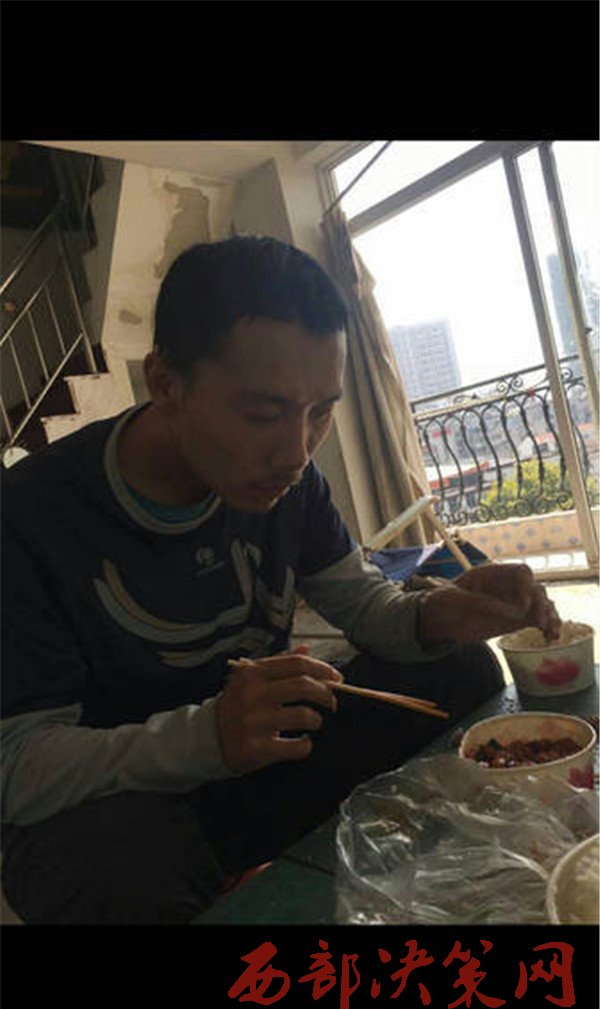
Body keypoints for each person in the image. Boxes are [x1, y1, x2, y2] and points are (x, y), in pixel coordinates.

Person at [1, 236, 560, 924]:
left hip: (263, 755)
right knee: (102, 872)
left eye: (320, 411)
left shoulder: (290, 484)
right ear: (166, 383)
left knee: (457, 670)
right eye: (264, 413)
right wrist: (208, 737)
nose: (296, 452)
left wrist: (442, 613)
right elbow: (17, 765)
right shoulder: (28, 518)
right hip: (133, 804)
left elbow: (367, 607)